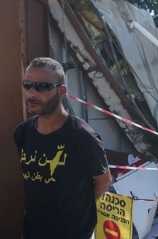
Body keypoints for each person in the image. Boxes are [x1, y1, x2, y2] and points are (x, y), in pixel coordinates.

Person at [14, 57, 112, 239]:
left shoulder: (83, 137)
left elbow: (103, 182)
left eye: (42, 87)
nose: (32, 93)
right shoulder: (22, 133)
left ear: (61, 91)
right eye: (27, 85)